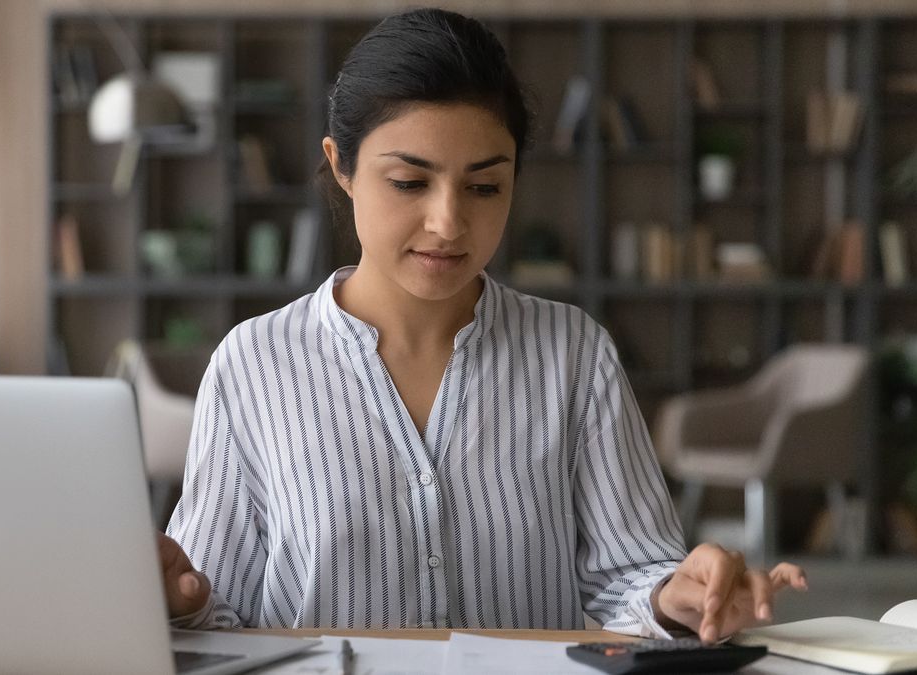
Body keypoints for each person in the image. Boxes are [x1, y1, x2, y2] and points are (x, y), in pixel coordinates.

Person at [156, 7, 806, 642]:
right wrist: (175, 601)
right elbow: (216, 615)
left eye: (485, 187)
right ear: (342, 166)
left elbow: (632, 575)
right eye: (410, 181)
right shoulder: (253, 363)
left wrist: (680, 598)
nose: (449, 222)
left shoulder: (573, 353)